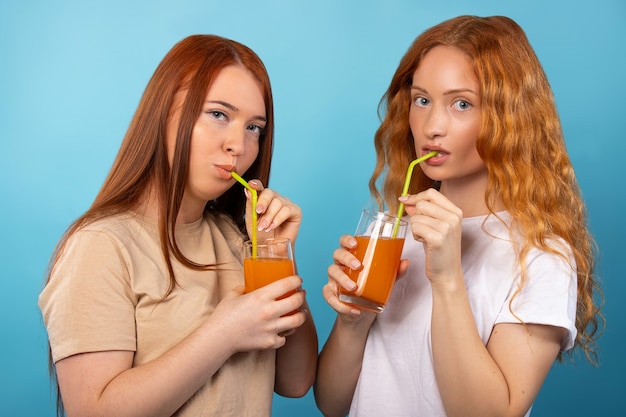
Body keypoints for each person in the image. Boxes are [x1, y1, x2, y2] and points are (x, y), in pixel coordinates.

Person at [314, 15, 603, 417]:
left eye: (461, 104)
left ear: (510, 118)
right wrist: (353, 321)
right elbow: (331, 403)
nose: (432, 126)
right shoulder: (395, 235)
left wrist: (448, 279)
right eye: (422, 100)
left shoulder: (540, 255)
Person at [38, 34, 318, 417]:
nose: (239, 145)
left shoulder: (237, 240)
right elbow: (92, 410)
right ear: (163, 112)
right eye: (219, 114)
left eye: (255, 128)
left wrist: (279, 253)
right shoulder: (101, 246)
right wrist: (224, 335)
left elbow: (296, 380)